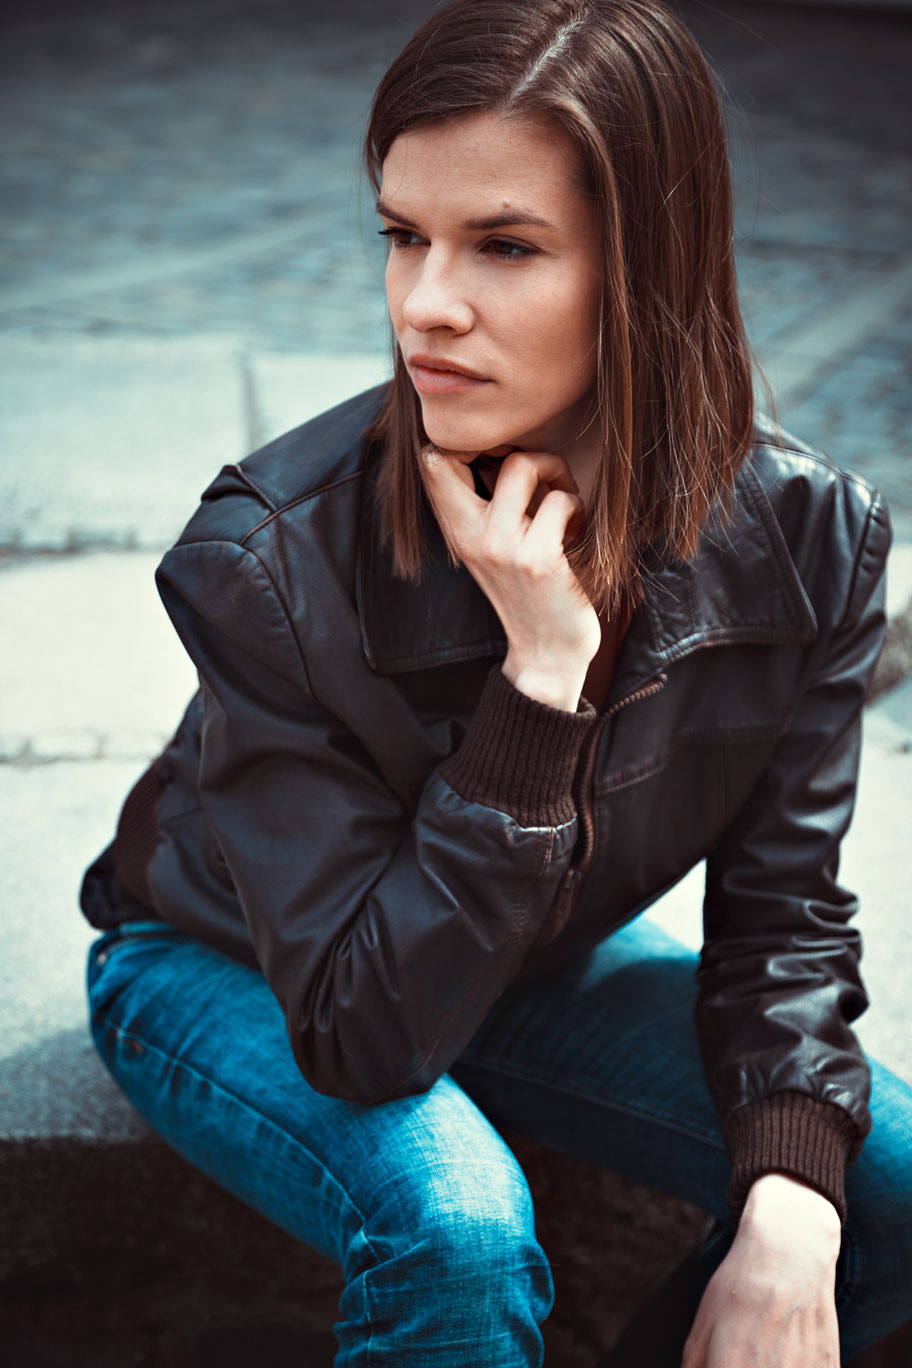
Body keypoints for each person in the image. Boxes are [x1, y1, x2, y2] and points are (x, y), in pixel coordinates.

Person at [79, 1, 912, 1364]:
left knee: (866, 1184)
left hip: (530, 959)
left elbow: (786, 922)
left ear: (647, 270)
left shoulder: (813, 540)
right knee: (457, 1228)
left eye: (505, 246)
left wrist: (790, 1204)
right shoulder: (269, 556)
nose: (425, 303)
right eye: (403, 234)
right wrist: (541, 680)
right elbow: (361, 1035)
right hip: (235, 966)